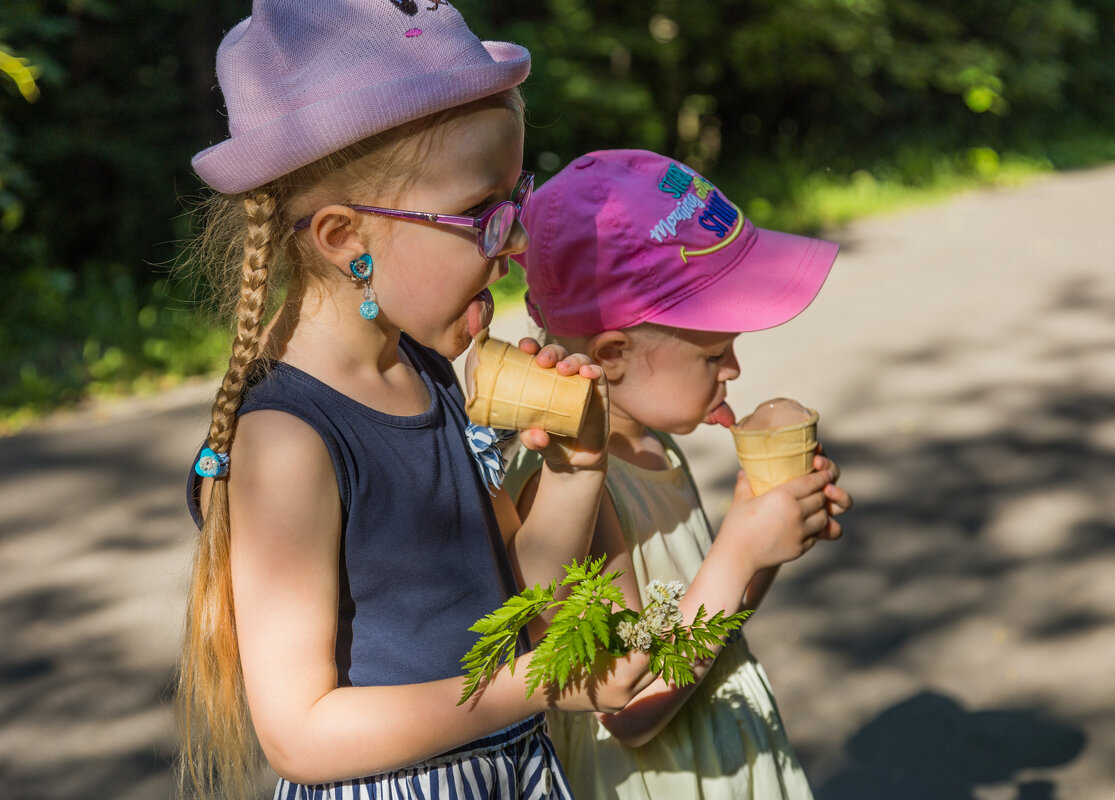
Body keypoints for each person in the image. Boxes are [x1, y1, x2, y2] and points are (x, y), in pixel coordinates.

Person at [177, 5, 651, 799]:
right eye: (481, 214)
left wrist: (577, 467)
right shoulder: (289, 440)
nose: (515, 243)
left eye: (515, 200)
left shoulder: (430, 373)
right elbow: (300, 732)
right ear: (342, 237)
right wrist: (536, 685)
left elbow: (513, 595)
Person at [503, 149, 854, 800]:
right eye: (716, 352)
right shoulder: (572, 481)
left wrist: (769, 539)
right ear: (613, 357)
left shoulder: (653, 441)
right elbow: (628, 707)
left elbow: (706, 620)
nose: (735, 371)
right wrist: (740, 548)